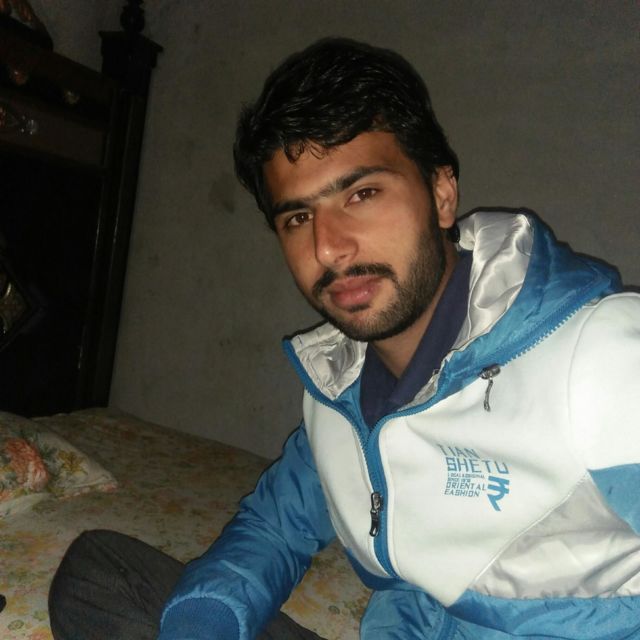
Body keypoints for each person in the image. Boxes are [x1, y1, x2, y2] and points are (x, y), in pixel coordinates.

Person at [49, 38, 640, 640]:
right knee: (100, 575)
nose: (328, 247)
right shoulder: (340, 396)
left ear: (441, 195)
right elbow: (274, 529)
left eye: (361, 194)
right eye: (298, 218)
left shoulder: (602, 355)